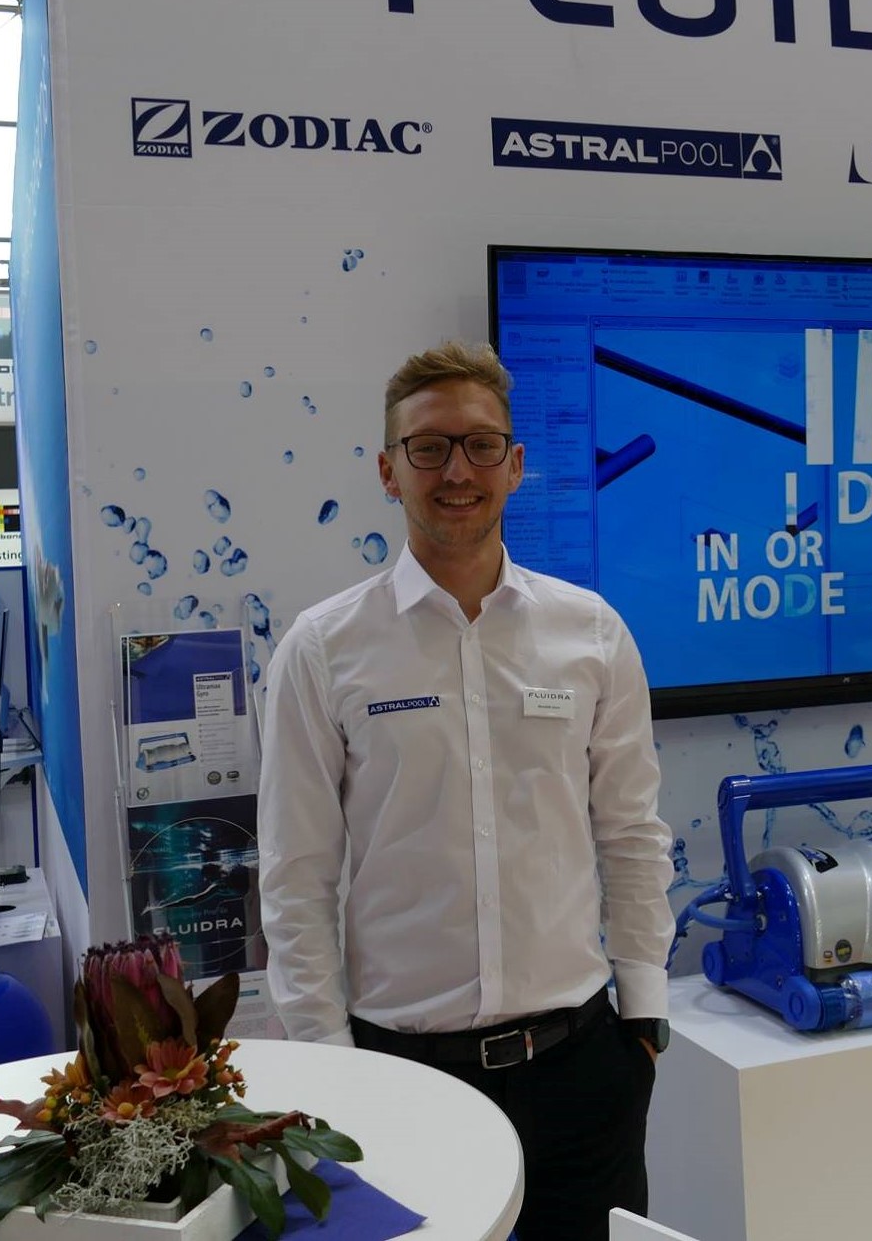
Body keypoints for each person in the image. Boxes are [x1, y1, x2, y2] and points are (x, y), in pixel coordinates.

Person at [258, 341, 674, 1239]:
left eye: (481, 445)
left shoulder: (591, 633)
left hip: (581, 1068)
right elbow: (295, 875)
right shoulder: (323, 649)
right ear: (387, 470)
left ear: (514, 465)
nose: (457, 471)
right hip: (402, 1075)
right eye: (428, 447)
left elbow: (632, 833)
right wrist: (329, 1066)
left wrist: (644, 1013)